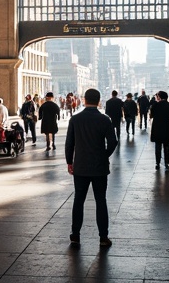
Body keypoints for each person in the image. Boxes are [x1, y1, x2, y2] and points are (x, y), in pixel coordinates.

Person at [66, 88, 118, 249]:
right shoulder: (104, 119)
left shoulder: (75, 119)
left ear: (84, 100)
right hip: (99, 167)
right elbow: (113, 141)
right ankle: (103, 237)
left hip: (80, 166)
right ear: (99, 100)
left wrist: (70, 161)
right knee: (100, 200)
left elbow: (70, 143)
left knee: (78, 200)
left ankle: (75, 235)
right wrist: (104, 155)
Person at [148, 90, 169, 170]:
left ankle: (158, 163)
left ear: (159, 97)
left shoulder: (155, 105)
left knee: (158, 146)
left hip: (157, 127)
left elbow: (151, 115)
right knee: (167, 147)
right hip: (166, 127)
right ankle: (166, 163)